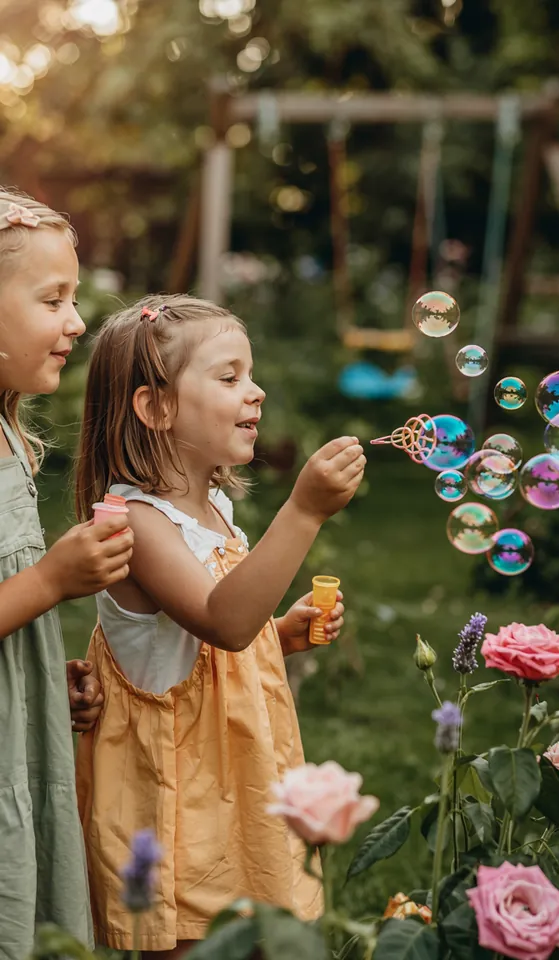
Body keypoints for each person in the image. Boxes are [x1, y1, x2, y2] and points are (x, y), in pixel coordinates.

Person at [74, 293, 366, 957]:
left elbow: (223, 631)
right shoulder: (135, 523)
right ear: (156, 408)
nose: (255, 392)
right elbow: (224, 622)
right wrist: (305, 511)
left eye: (251, 374)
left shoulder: (210, 510)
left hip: (238, 790)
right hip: (180, 808)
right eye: (230, 377)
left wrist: (283, 632)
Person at [0, 187, 134, 959]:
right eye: (53, 299)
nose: (77, 323)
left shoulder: (9, 432)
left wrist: (44, 671)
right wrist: (50, 581)